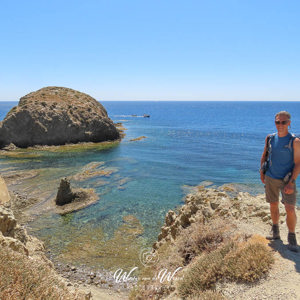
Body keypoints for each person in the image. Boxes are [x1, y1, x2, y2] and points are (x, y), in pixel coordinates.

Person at [260, 111, 300, 252]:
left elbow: (298, 163)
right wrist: (261, 171)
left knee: (289, 208)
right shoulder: (270, 138)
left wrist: (291, 182)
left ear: (289, 123)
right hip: (271, 177)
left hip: (287, 180)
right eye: (278, 122)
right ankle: (275, 230)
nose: (280, 125)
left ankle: (291, 236)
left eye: (283, 122)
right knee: (273, 204)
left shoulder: (294, 141)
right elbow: (265, 154)